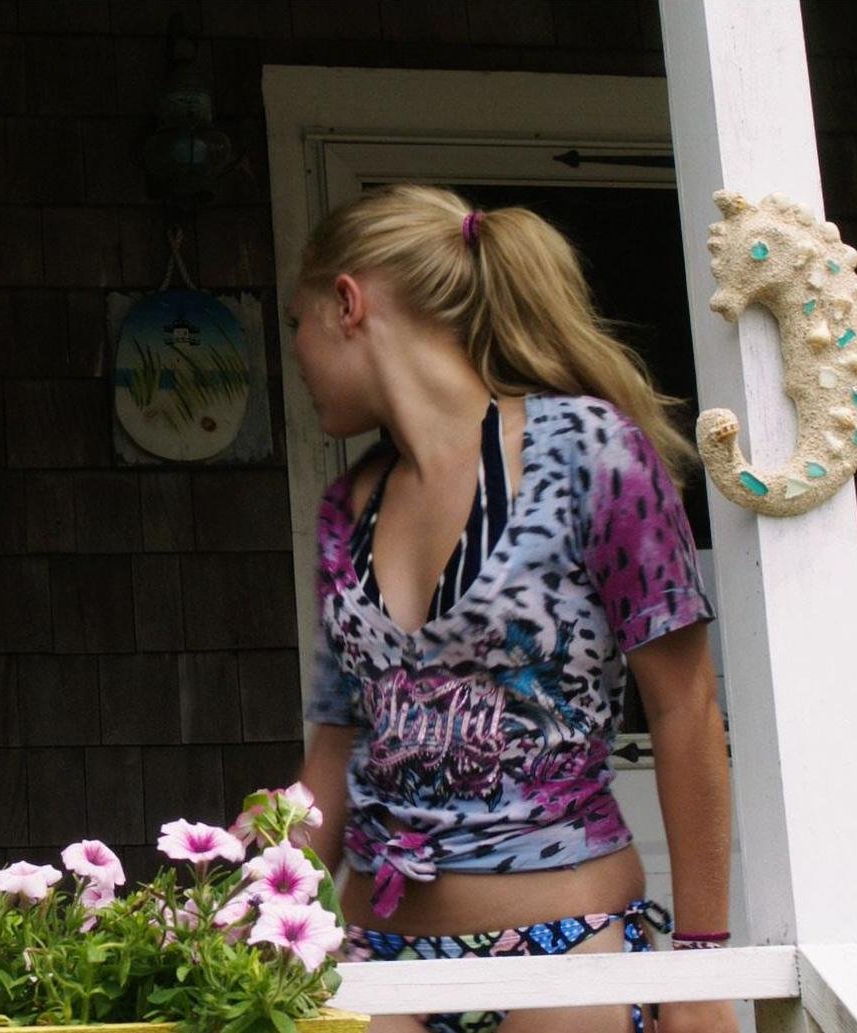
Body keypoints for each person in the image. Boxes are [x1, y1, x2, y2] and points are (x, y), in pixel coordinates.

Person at [285, 184, 736, 1033]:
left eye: (295, 324)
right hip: (373, 964)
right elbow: (334, 754)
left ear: (347, 304)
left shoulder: (590, 451)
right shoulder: (347, 508)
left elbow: (686, 706)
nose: (298, 356)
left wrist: (703, 966)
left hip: (564, 957)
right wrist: (248, 913)